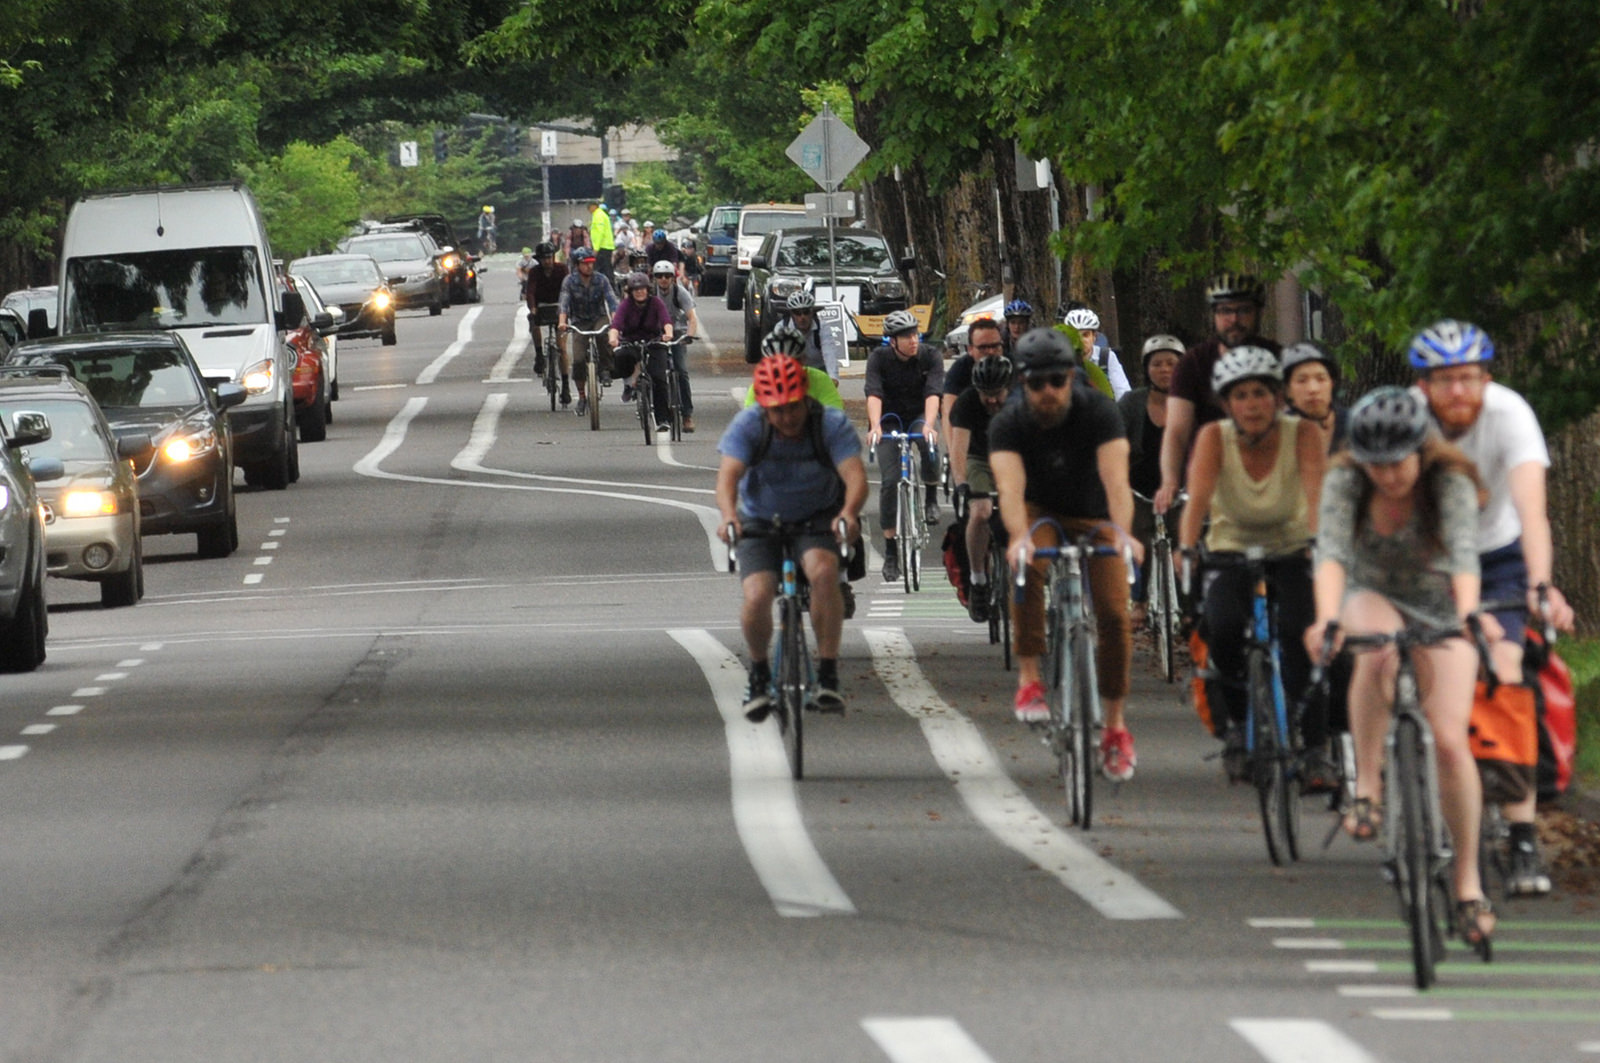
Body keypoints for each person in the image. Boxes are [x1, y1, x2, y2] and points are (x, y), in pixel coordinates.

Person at [1304, 386, 1497, 949]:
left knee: (1451, 742)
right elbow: (1332, 554)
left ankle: (1467, 884)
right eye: (1376, 464)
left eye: (1398, 463)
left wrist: (1468, 615)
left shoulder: (1449, 481)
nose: (1388, 475)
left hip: (1440, 603)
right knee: (1378, 648)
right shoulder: (1347, 480)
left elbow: (1464, 556)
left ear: (1421, 450)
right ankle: (1367, 785)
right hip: (1372, 593)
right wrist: (1326, 620)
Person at [1410, 319, 1576, 896]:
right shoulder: (1407, 420)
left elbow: (1532, 512)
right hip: (1427, 556)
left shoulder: (1510, 415)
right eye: (1445, 380)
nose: (1459, 391)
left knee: (1506, 674)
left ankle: (1522, 834)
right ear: (1424, 386)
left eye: (1469, 377)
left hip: (1498, 555)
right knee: (1407, 667)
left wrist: (1541, 585)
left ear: (1486, 378)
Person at [991, 328, 1143, 780]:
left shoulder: (1099, 412)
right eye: (1037, 382)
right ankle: (1030, 679)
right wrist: (1018, 537)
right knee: (1027, 564)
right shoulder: (1008, 423)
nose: (1048, 391)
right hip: (1038, 511)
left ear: (1072, 377)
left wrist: (1123, 533)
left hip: (1094, 514)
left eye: (1057, 380)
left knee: (1114, 614)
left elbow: (1117, 483)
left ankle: (1114, 727)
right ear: (1022, 383)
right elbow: (1010, 490)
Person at [1177, 346, 1329, 784]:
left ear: (1278, 398)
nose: (1252, 404)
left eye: (1260, 393)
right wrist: (1186, 548)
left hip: (1293, 549)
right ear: (1227, 404)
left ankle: (1315, 749)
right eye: (1240, 395)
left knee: (1303, 638)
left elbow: (1316, 494)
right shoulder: (1213, 437)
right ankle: (1239, 726)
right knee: (1223, 630)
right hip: (1231, 551)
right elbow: (1197, 500)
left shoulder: (1303, 434)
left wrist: (1318, 543)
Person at [718, 355, 868, 716]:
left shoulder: (829, 424)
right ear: (764, 407)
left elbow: (855, 478)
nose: (787, 418)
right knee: (757, 594)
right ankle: (758, 674)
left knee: (824, 573)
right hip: (760, 518)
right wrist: (729, 517)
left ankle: (828, 675)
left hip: (817, 516)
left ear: (806, 397)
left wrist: (848, 513)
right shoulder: (749, 425)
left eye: (794, 407)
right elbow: (727, 478)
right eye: (777, 410)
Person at [1155, 273, 1280, 514]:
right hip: (1211, 484)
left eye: (1243, 310)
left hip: (1272, 480)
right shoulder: (1192, 363)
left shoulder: (1279, 358)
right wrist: (1170, 481)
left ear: (1258, 313)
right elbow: (1177, 431)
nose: (1234, 319)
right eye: (1225, 311)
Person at [865, 309, 944, 581]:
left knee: (929, 445)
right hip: (888, 420)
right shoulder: (878, 359)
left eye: (915, 334)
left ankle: (931, 496)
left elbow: (933, 394)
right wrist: (875, 425)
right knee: (890, 482)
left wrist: (929, 425)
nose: (913, 340)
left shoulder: (930, 356)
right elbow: (874, 394)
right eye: (906, 336)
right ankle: (891, 551)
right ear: (893, 341)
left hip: (919, 415)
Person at [1118, 334, 1184, 619]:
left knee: (1187, 543)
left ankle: (1189, 609)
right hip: (1140, 490)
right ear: (1146, 369)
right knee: (1140, 542)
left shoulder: (1191, 403)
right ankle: (1140, 601)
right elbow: (1115, 445)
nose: (1165, 370)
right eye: (1157, 364)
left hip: (1181, 490)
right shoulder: (1132, 403)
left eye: (1171, 363)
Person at [948, 352, 1014, 622]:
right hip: (979, 458)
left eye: (997, 394)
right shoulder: (966, 403)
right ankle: (978, 580)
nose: (992, 400)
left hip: (1013, 457)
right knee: (981, 510)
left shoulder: (1022, 401)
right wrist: (962, 484)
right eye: (986, 394)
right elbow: (959, 450)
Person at [556, 248, 619, 417]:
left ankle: (605, 369)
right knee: (578, 359)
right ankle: (582, 396)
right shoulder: (569, 281)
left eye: (591, 263)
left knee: (603, 335)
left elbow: (612, 301)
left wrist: (616, 321)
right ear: (577, 265)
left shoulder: (601, 279)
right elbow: (563, 304)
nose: (589, 266)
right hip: (579, 322)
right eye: (585, 263)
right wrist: (562, 322)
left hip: (599, 317)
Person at [610, 270, 674, 430]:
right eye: (635, 289)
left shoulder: (656, 303)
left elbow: (665, 320)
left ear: (648, 289)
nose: (639, 292)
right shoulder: (626, 305)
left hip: (654, 342)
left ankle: (662, 419)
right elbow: (616, 324)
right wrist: (613, 338)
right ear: (631, 292)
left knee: (659, 379)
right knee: (620, 357)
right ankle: (630, 383)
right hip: (631, 343)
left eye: (642, 289)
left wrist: (668, 333)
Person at [742, 322, 844, 409]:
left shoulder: (821, 381)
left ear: (803, 360)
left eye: (792, 363)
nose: (785, 369)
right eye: (776, 364)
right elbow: (747, 423)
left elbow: (836, 417)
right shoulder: (758, 388)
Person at [651, 259, 698, 432]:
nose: (663, 279)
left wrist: (689, 335)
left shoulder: (680, 292)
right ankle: (657, 410)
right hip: (657, 332)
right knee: (655, 373)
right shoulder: (651, 293)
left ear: (673, 278)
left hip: (677, 332)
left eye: (667, 276)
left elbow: (692, 318)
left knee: (682, 371)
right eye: (659, 276)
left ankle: (687, 415)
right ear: (655, 278)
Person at [940, 317, 1006, 431]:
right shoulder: (959, 370)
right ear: (970, 349)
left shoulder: (1014, 366)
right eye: (983, 347)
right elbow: (948, 412)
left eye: (995, 346)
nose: (991, 352)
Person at [1282, 341, 1348, 453]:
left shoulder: (1356, 426)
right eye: (1302, 380)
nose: (1313, 389)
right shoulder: (1275, 434)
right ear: (1288, 390)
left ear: (1332, 384)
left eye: (1321, 379)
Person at [524, 242, 570, 402]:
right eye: (544, 258)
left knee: (562, 348)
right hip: (541, 306)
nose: (547, 261)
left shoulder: (562, 269)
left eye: (549, 257)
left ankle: (565, 385)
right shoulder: (534, 272)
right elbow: (530, 292)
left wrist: (566, 309)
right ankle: (539, 355)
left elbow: (568, 289)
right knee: (533, 323)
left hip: (559, 307)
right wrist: (532, 308)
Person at [1062, 307, 1132, 398]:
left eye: (1085, 335)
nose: (1080, 340)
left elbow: (1123, 393)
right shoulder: (1060, 359)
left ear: (1094, 337)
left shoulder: (1105, 357)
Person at [780, 290, 835, 381]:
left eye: (806, 312)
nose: (802, 317)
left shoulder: (822, 326)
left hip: (818, 370)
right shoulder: (782, 328)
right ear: (791, 314)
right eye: (797, 313)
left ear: (812, 312)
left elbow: (829, 352)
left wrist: (833, 376)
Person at [588, 202, 614, 282]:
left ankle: (605, 286)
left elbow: (600, 232)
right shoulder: (601, 215)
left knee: (601, 270)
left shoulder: (598, 215)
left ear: (593, 206)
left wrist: (596, 248)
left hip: (602, 247)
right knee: (607, 269)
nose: (589, 211)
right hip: (605, 246)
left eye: (589, 208)